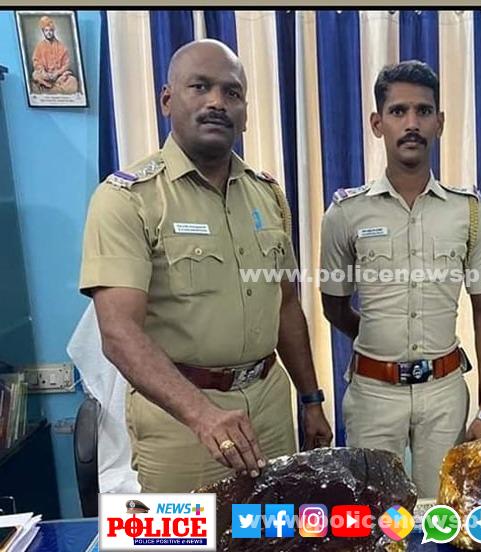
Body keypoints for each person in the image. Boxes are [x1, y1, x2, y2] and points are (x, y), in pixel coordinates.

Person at [79, 39, 332, 493]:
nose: (217, 101)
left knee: (274, 525)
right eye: (200, 86)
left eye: (232, 92)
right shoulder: (127, 199)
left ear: (245, 114)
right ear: (167, 99)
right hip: (181, 421)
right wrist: (202, 416)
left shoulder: (268, 195)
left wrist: (311, 399)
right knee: (192, 530)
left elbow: (285, 306)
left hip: (270, 408)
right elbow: (118, 333)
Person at [320, 60, 481, 499]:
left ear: (440, 122)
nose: (412, 124)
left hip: (444, 393)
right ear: (377, 123)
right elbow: (333, 305)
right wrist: (378, 339)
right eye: (398, 111)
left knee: (442, 512)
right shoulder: (345, 213)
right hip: (372, 394)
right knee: (374, 514)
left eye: (423, 111)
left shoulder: (468, 210)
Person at [30, 15, 78, 94]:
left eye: (50, 30)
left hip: (59, 77)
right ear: (43, 32)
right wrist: (44, 73)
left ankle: (51, 89)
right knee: (35, 75)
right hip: (45, 77)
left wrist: (57, 73)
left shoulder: (61, 46)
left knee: (73, 81)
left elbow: (66, 64)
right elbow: (36, 62)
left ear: (53, 31)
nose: (48, 33)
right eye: (46, 30)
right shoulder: (39, 46)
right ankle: (54, 89)